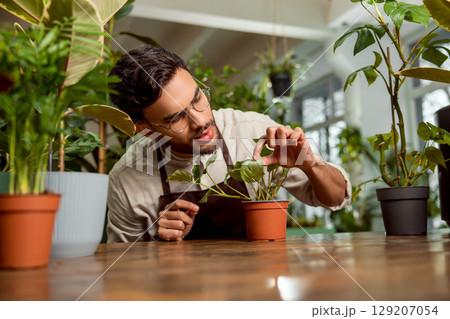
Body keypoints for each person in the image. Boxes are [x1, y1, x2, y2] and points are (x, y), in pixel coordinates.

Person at [107, 45, 351, 243]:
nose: (201, 121)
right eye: (176, 118)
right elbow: (121, 273)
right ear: (147, 131)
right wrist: (156, 239)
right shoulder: (127, 179)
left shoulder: (253, 130)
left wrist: (311, 165)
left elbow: (335, 199)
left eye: (198, 99)